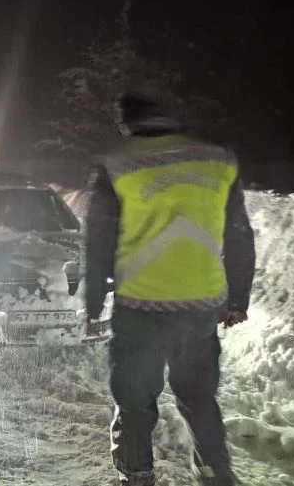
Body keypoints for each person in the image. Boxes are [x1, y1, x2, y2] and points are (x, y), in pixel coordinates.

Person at [84, 90, 256, 486]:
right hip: (200, 308)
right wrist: (237, 299)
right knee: (199, 399)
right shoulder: (216, 160)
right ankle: (215, 474)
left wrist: (93, 306)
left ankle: (137, 476)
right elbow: (239, 235)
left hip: (140, 308)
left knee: (134, 404)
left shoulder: (117, 164)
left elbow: (98, 241)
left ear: (126, 122)